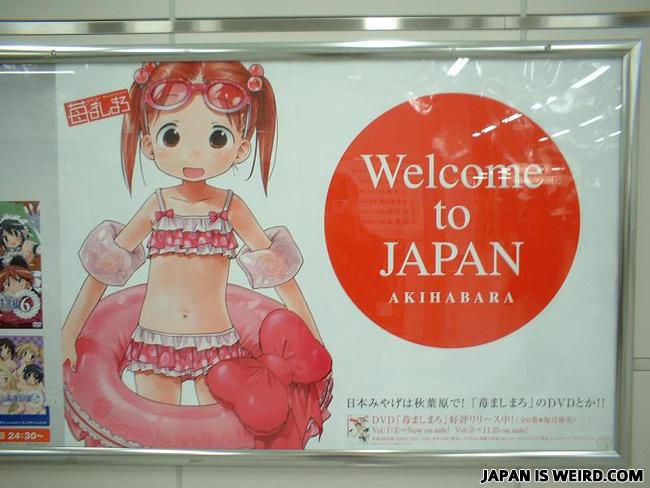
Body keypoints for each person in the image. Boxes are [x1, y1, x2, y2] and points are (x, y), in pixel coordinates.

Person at [62, 61, 332, 447]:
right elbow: (107, 267)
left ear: (241, 149)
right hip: (156, 338)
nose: (192, 151)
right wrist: (70, 332)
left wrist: (312, 339)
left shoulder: (231, 207)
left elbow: (278, 272)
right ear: (149, 144)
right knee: (153, 439)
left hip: (216, 342)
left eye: (216, 137)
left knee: (223, 439)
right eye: (172, 135)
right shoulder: (157, 204)